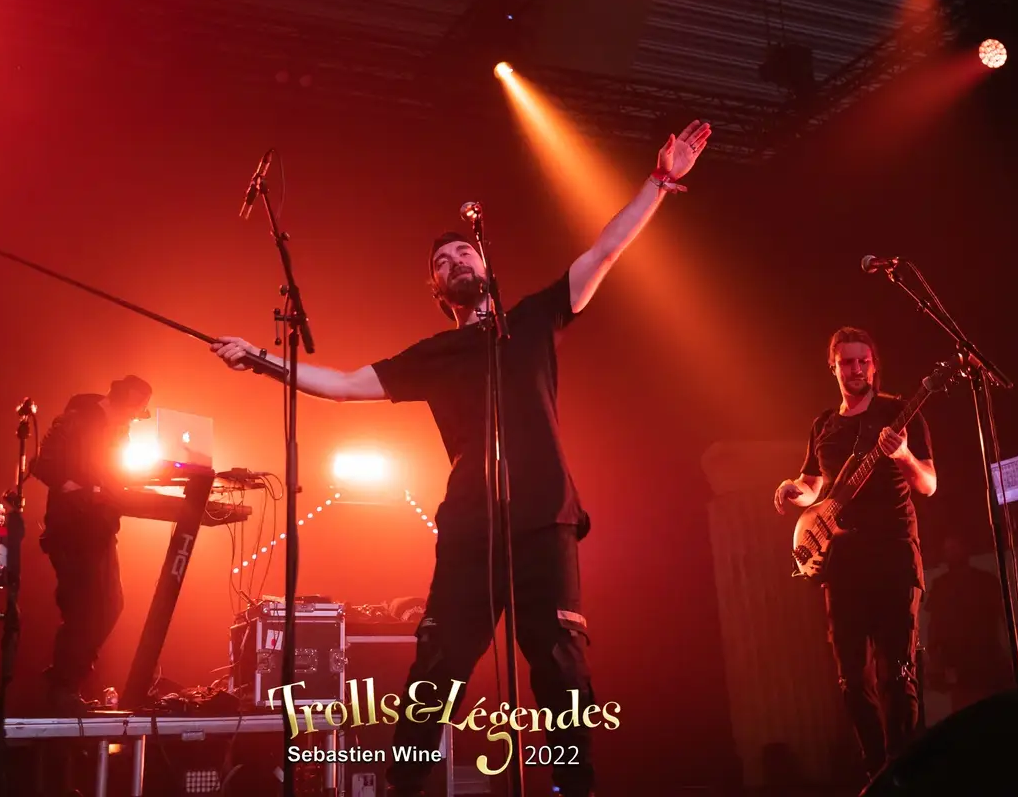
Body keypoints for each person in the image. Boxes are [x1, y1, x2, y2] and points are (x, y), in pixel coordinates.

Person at [211, 120, 712, 797]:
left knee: (561, 668)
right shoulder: (435, 356)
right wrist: (262, 359)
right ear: (438, 292)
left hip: (546, 519)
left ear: (485, 266)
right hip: (471, 525)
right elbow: (344, 384)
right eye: (442, 264)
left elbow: (606, 250)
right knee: (438, 666)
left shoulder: (532, 320)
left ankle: (575, 789)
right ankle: (405, 788)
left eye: (462, 253)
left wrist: (659, 181)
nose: (454, 263)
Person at [773, 327, 936, 788]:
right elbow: (813, 487)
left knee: (897, 673)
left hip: (893, 556)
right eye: (847, 362)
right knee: (851, 679)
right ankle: (877, 772)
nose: (856, 369)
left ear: (874, 365)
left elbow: (928, 484)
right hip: (842, 564)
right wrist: (793, 490)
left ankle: (904, 774)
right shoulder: (824, 425)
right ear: (833, 367)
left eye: (863, 361)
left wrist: (903, 455)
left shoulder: (898, 412)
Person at [30, 374, 153, 713]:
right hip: (72, 528)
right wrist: (75, 488)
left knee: (110, 604)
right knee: (85, 608)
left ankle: (66, 683)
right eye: (134, 413)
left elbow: (111, 473)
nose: (133, 420)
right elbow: (42, 462)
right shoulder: (79, 416)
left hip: (99, 528)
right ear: (123, 404)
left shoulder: (118, 430)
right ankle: (62, 688)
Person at [924, 534, 1009, 713]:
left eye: (954, 548)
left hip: (987, 656)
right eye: (948, 550)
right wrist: (934, 657)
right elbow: (934, 623)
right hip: (960, 662)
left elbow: (1002, 615)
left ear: (966, 549)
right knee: (967, 711)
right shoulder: (941, 585)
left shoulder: (985, 580)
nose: (951, 553)